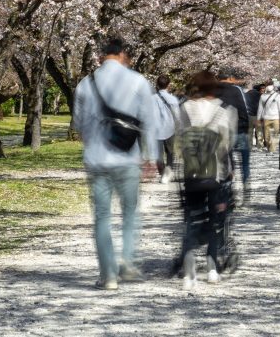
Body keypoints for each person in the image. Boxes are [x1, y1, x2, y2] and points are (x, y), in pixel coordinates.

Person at [73, 37, 159, 288]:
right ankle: (128, 262)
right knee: (130, 213)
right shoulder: (138, 81)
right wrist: (151, 157)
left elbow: (79, 125)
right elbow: (149, 123)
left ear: (102, 56)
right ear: (123, 54)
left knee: (101, 217)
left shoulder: (85, 84)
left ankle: (108, 275)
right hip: (127, 159)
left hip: (97, 159)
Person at [175, 70, 236, 289]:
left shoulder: (185, 107)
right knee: (215, 222)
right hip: (216, 174)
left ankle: (189, 272)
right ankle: (211, 269)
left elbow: (179, 139)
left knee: (192, 220)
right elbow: (227, 144)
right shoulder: (224, 109)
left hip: (192, 174)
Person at [215, 68, 251, 194]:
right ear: (229, 78)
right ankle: (246, 186)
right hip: (239, 128)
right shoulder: (236, 89)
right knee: (244, 161)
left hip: (222, 130)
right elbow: (243, 108)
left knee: (226, 160)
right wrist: (246, 126)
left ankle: (228, 188)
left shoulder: (213, 91)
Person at [155, 74, 180, 184]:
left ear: (157, 85)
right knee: (170, 152)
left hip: (156, 130)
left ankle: (162, 172)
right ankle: (168, 174)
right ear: (168, 85)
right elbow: (178, 116)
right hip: (170, 128)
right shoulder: (173, 99)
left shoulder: (152, 99)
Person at [257, 82, 280, 152]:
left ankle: (272, 149)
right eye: (267, 85)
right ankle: (269, 147)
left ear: (273, 86)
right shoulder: (263, 96)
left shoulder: (277, 96)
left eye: (270, 85)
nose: (269, 87)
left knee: (275, 135)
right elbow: (260, 108)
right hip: (266, 118)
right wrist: (258, 119)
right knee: (267, 137)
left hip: (276, 118)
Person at [244, 82, 263, 149]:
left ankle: (250, 146)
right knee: (259, 131)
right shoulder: (260, 95)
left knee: (250, 131)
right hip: (257, 115)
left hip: (249, 114)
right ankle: (259, 146)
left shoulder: (246, 94)